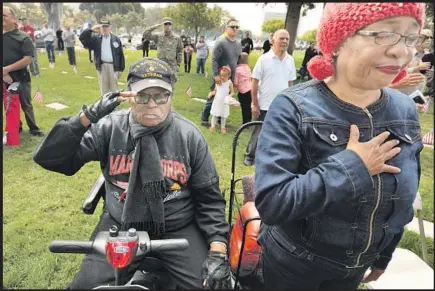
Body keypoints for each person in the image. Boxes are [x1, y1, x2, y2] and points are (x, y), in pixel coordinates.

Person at [254, 3, 426, 289]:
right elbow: (273, 203)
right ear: (338, 40)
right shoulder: (294, 106)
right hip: (294, 265)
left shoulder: (405, 109)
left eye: (410, 37)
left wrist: (384, 254)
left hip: (356, 270)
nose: (402, 51)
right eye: (383, 34)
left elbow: (404, 196)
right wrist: (354, 167)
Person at [33, 57, 232, 289]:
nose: (152, 104)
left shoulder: (189, 136)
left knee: (211, 285)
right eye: (142, 95)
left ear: (171, 97)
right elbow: (50, 158)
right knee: (85, 286)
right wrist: (84, 119)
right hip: (120, 225)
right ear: (128, 96)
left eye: (160, 96)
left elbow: (210, 198)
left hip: (177, 226)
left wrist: (218, 250)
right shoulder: (109, 128)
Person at [244, 29, 296, 166]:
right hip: (263, 104)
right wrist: (255, 104)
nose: (285, 41)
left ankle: (269, 157)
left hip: (282, 106)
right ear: (273, 40)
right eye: (282, 38)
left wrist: (291, 103)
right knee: (257, 131)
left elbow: (291, 84)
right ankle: (249, 155)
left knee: (278, 133)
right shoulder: (264, 59)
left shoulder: (290, 60)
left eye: (287, 39)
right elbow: (254, 82)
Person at [3, 6, 44, 137]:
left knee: (26, 104)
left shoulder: (23, 37)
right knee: (9, 105)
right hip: (4, 77)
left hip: (22, 77)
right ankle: (16, 126)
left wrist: (7, 69)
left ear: (13, 18)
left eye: (4, 15)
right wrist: (4, 73)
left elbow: (27, 60)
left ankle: (34, 128)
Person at [201, 18, 242, 127]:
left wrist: (234, 77)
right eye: (232, 27)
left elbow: (236, 61)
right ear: (226, 28)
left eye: (237, 27)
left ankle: (219, 118)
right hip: (220, 77)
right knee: (214, 97)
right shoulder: (221, 42)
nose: (235, 29)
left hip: (230, 78)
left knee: (225, 99)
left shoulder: (238, 44)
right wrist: (216, 75)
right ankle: (204, 119)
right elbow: (214, 59)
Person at [79, 20, 125, 95]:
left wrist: (121, 69)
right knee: (104, 89)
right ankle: (104, 105)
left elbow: (120, 54)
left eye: (106, 27)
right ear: (100, 28)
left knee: (114, 89)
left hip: (114, 66)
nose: (105, 29)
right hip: (102, 66)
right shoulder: (96, 38)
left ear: (110, 28)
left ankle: (114, 105)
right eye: (103, 27)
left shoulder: (116, 39)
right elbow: (82, 38)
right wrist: (91, 29)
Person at [389, 28, 433, 95]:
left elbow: (426, 75)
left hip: (418, 93)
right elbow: (395, 71)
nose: (429, 40)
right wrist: (417, 68)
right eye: (426, 37)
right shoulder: (406, 52)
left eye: (431, 37)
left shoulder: (429, 55)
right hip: (399, 93)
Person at [208, 66, 235, 133]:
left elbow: (232, 92)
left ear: (229, 75)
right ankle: (212, 126)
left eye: (224, 76)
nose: (222, 77)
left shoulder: (229, 83)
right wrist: (211, 93)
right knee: (215, 114)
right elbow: (215, 91)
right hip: (217, 101)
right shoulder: (218, 82)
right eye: (221, 75)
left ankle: (223, 127)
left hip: (224, 102)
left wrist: (229, 96)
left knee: (223, 115)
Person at [234, 52, 252, 124]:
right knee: (249, 106)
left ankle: (245, 122)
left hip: (243, 92)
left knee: (244, 107)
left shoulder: (237, 69)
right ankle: (249, 120)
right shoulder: (248, 68)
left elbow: (235, 82)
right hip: (250, 90)